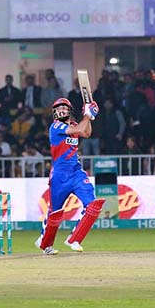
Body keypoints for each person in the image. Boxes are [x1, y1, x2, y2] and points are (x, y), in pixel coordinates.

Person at [35, 98, 104, 255]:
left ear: (70, 110)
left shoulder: (74, 125)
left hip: (76, 173)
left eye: (63, 108)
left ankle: (74, 239)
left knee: (92, 204)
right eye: (57, 108)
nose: (60, 110)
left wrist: (89, 116)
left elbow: (86, 132)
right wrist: (87, 115)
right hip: (59, 176)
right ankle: (45, 242)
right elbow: (80, 129)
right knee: (55, 212)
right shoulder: (55, 126)